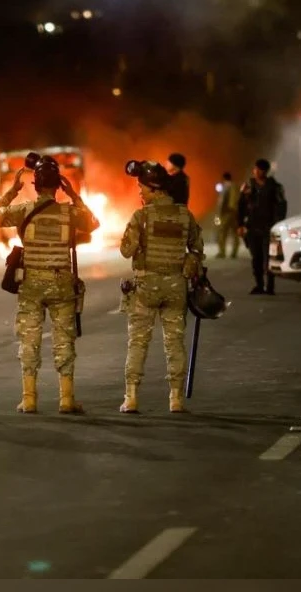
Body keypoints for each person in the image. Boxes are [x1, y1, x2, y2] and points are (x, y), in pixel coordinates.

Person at [0, 154, 99, 414]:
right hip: (61, 283)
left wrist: (12, 191)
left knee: (29, 340)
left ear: (35, 185)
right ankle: (67, 399)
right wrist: (74, 195)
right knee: (64, 340)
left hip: (32, 284)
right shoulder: (69, 212)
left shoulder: (24, 210)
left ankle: (29, 399)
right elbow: (93, 223)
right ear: (58, 185)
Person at [118, 160, 204, 414]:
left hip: (146, 287)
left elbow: (126, 250)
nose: (139, 192)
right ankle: (176, 399)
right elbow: (197, 249)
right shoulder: (184, 214)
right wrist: (190, 262)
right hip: (176, 286)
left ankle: (131, 398)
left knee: (137, 342)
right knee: (175, 342)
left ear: (154, 189)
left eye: (142, 187)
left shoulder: (142, 216)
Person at [237, 159, 287, 295]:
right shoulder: (248, 186)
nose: (256, 172)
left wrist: (278, 223)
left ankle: (270, 286)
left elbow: (281, 206)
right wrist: (240, 224)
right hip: (252, 227)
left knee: (269, 257)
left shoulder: (275, 187)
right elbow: (240, 206)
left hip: (269, 227)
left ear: (265, 171)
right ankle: (259, 284)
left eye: (259, 169)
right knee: (256, 257)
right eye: (255, 169)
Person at [215, 171, 241, 259]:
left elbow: (222, 202)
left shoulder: (226, 187)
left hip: (227, 213)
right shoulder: (233, 186)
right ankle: (233, 252)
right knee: (234, 233)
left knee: (222, 232)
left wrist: (220, 213)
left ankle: (222, 252)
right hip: (233, 213)